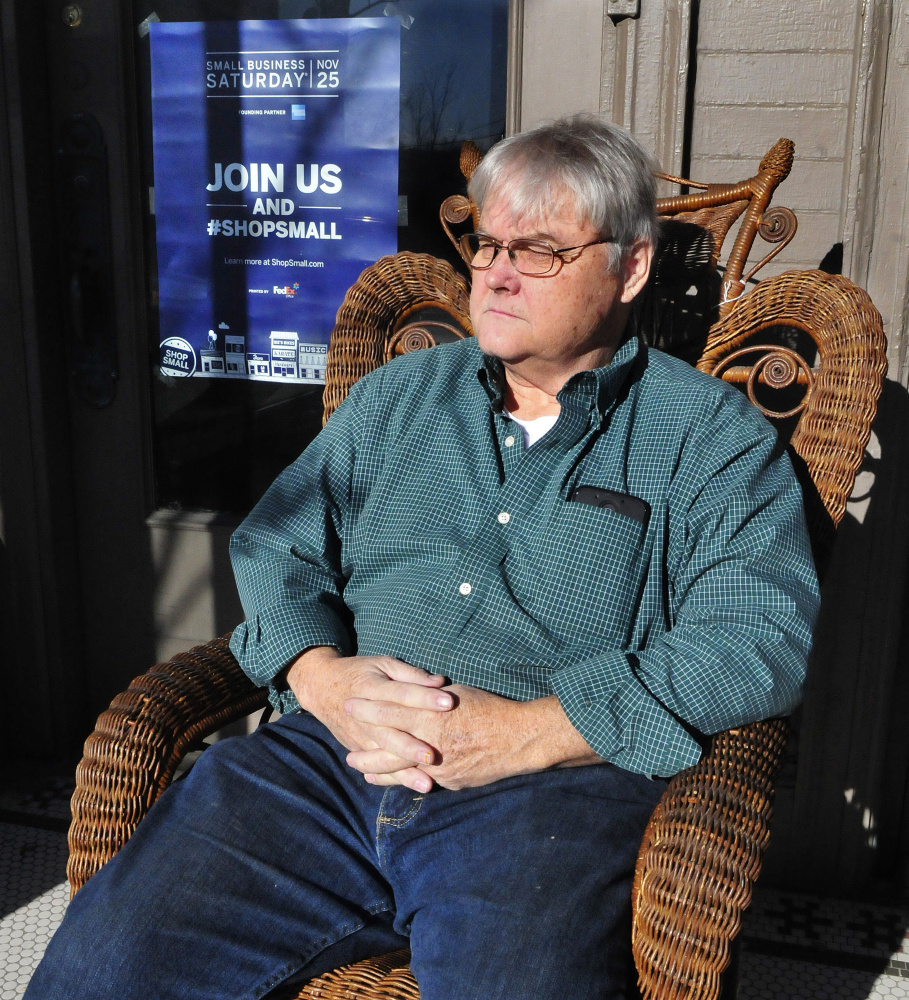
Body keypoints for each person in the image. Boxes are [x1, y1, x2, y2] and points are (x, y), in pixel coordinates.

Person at [26, 114, 819, 1000]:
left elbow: (758, 640)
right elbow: (279, 540)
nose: (499, 275)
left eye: (542, 251)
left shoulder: (706, 437)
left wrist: (530, 734)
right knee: (102, 967)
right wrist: (321, 675)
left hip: (543, 796)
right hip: (327, 764)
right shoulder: (398, 398)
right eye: (488, 245)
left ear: (629, 266)